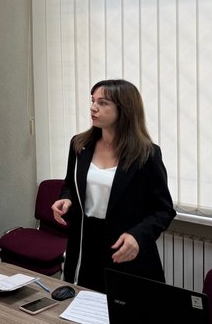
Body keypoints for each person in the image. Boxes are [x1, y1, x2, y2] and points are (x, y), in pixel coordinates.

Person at [51, 79, 176, 292]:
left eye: (102, 103)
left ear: (123, 109)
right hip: (85, 245)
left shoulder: (146, 154)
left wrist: (138, 236)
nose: (93, 108)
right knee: (81, 302)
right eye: (92, 101)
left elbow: (163, 210)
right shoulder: (79, 145)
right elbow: (70, 185)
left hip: (124, 248)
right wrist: (66, 199)